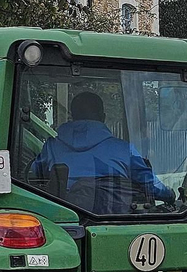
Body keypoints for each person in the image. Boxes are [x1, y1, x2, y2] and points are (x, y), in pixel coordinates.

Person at [29, 90, 175, 211]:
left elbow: (35, 175)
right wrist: (169, 194)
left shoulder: (51, 147)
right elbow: (149, 183)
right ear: (103, 117)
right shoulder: (125, 150)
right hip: (116, 222)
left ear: (72, 117)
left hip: (65, 221)